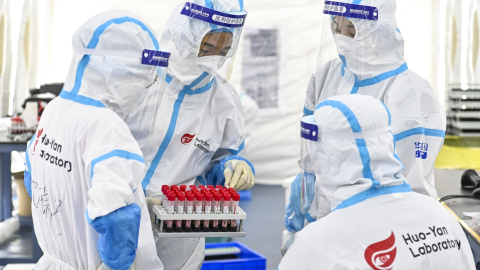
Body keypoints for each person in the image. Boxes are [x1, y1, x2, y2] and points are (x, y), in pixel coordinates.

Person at [23, 10, 167, 270]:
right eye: (142, 78)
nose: (142, 88)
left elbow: (37, 179)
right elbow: (115, 218)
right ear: (121, 73)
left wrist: (130, 198)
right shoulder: (106, 124)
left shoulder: (55, 109)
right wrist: (115, 260)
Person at [123, 0, 254, 269]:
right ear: (183, 33)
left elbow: (220, 162)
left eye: (223, 49)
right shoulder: (140, 76)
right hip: (118, 212)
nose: (213, 58)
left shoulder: (224, 100)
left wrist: (232, 166)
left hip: (179, 225)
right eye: (206, 47)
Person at [279, 94, 475, 269]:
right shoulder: (440, 214)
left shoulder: (316, 243)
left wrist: (300, 254)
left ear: (330, 155)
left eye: (315, 152)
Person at [303, 0, 446, 199]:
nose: (342, 38)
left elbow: (411, 181)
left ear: (379, 30)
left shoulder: (413, 92)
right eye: (336, 27)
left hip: (386, 215)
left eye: (352, 30)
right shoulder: (327, 74)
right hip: (327, 212)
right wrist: (307, 187)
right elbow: (311, 140)